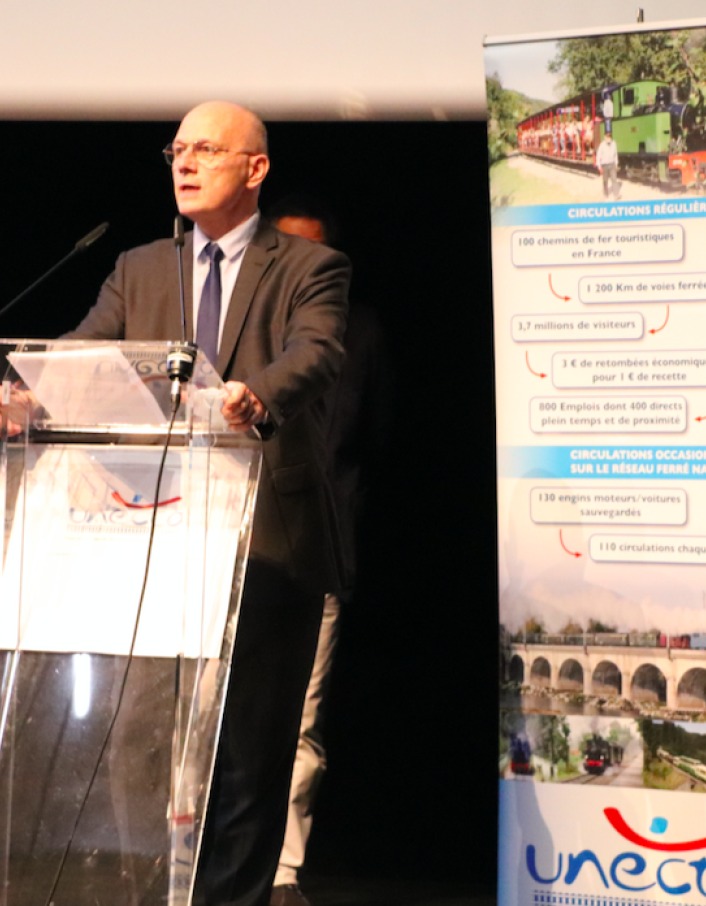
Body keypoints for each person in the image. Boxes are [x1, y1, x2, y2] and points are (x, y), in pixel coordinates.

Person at [0, 101, 350, 906]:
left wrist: (258, 396)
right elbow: (84, 353)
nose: (184, 164)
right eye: (177, 149)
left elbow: (315, 352)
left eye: (207, 150)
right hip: (151, 542)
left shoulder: (308, 267)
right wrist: (25, 401)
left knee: (250, 759)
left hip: (268, 548)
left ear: (254, 169)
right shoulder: (140, 268)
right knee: (147, 751)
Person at [266, 198, 390, 906]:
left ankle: (284, 871)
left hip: (318, 548)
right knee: (207, 708)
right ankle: (188, 852)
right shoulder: (230, 325)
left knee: (300, 718)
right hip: (224, 547)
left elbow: (377, 437)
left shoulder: (360, 331)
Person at [595, 133, 619, 200]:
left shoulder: (614, 144)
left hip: (612, 164)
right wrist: (599, 166)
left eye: (609, 137)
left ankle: (616, 195)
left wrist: (616, 163)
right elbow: (598, 155)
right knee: (605, 180)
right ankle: (605, 194)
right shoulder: (602, 145)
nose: (608, 138)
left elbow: (615, 154)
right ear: (605, 137)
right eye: (607, 137)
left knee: (614, 179)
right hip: (604, 165)